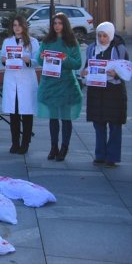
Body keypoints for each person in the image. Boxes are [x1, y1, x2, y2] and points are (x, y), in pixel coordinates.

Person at [80, 22, 127, 167]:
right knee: (98, 123)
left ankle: (112, 156)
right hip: (96, 91)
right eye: (99, 35)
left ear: (111, 35)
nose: (102, 39)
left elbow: (126, 70)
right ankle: (100, 155)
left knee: (114, 124)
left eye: (105, 36)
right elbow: (87, 66)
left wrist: (116, 73)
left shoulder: (119, 49)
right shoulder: (92, 48)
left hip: (114, 92)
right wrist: (84, 72)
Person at [37, 12, 83, 162]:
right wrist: (41, 57)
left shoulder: (71, 41)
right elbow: (39, 59)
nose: (57, 26)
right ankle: (53, 147)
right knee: (53, 118)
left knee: (66, 118)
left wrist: (66, 59)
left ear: (65, 25)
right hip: (50, 84)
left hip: (66, 85)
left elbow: (77, 63)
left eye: (60, 23)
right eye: (55, 23)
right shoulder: (47, 41)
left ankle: (64, 148)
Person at [0, 15, 39, 154]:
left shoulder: (33, 42)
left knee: (27, 113)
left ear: (24, 26)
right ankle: (15, 142)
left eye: (19, 25)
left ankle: (25, 143)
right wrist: (4, 60)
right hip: (12, 81)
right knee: (14, 114)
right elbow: (3, 58)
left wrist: (29, 60)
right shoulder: (7, 41)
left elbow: (37, 61)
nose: (16, 27)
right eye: (14, 25)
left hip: (26, 81)